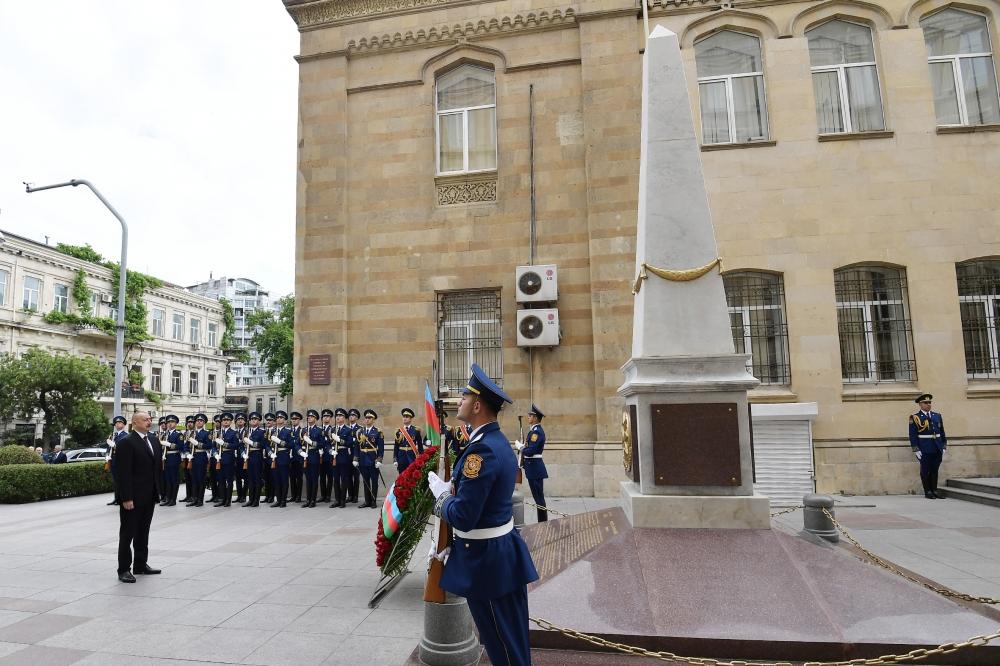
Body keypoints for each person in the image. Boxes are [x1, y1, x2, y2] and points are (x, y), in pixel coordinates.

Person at [428, 364, 539, 666]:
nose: (459, 401)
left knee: (502, 644)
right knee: (510, 639)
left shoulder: (482, 452)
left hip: (486, 562)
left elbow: (464, 515)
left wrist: (441, 499)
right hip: (498, 554)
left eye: (463, 396)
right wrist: (455, 488)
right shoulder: (492, 442)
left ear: (477, 405)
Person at [116, 411, 162, 583]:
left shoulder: (153, 440)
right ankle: (123, 569)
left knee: (143, 531)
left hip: (149, 495)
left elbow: (155, 468)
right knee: (128, 533)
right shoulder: (126, 442)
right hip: (133, 497)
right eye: (145, 420)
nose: (149, 422)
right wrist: (126, 497)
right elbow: (124, 473)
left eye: (150, 419)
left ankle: (140, 564)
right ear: (134, 423)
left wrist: (157, 491)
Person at [909, 393, 947, 499]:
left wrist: (944, 445)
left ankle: (934, 490)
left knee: (935, 469)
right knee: (925, 470)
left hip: (937, 447)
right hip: (925, 447)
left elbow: (942, 432)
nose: (928, 404)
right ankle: (928, 491)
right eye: (925, 403)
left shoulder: (937, 416)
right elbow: (912, 434)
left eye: (929, 402)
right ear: (920, 404)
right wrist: (916, 449)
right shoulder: (915, 417)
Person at [515, 404, 549, 523]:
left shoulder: (537, 432)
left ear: (535, 417)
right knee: (538, 498)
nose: (528, 417)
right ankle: (542, 522)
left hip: (535, 469)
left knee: (539, 499)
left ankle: (543, 523)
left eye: (530, 415)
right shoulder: (534, 431)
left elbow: (530, 451)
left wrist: (521, 447)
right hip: (533, 469)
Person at [356, 409, 384, 508]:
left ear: (373, 420)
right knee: (365, 481)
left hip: (373, 459)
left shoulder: (377, 432)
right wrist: (355, 458)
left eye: (369, 418)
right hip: (363, 459)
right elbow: (356, 446)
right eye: (366, 418)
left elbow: (381, 448)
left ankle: (373, 500)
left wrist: (379, 459)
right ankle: (367, 501)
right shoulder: (360, 431)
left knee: (374, 481)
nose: (367, 420)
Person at [270, 410, 293, 507]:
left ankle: (283, 500)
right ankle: (278, 499)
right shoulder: (272, 431)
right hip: (274, 457)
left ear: (284, 420)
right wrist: (270, 452)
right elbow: (266, 444)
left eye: (281, 418)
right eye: (278, 417)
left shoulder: (288, 431)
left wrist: (280, 442)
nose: (279, 419)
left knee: (284, 479)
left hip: (283, 457)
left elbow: (291, 444)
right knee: (276, 479)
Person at [331, 408, 353, 508]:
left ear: (344, 418)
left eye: (340, 416)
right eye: (337, 416)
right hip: (334, 457)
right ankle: (337, 499)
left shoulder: (348, 430)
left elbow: (350, 443)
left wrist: (339, 440)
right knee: (335, 479)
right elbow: (327, 443)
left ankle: (343, 500)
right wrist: (330, 450)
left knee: (344, 479)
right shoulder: (332, 429)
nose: (338, 418)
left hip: (344, 457)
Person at [302, 409, 323, 508]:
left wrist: (312, 443)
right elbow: (297, 444)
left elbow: (322, 443)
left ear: (315, 419)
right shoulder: (303, 430)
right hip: (305, 457)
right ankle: (308, 499)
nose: (309, 418)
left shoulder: (319, 430)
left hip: (314, 456)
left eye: (311, 417)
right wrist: (300, 452)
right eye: (308, 416)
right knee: (308, 479)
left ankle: (313, 500)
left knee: (314, 479)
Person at [394, 408, 423, 475]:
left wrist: (421, 458)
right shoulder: (398, 431)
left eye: (407, 417)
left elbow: (420, 445)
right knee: (401, 476)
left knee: (412, 476)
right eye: (403, 417)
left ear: (410, 419)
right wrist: (395, 458)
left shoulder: (416, 430)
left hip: (412, 456)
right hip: (401, 457)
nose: (404, 418)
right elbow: (396, 446)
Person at [161, 415, 183, 506]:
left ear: (176, 424)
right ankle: (168, 498)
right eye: (168, 422)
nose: (170, 424)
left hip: (174, 458)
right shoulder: (165, 434)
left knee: (174, 480)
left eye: (172, 422)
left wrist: (169, 444)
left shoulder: (178, 434)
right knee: (168, 480)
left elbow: (181, 447)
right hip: (166, 458)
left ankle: (173, 499)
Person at [107, 416, 128, 505]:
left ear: (123, 425)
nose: (117, 424)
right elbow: (108, 448)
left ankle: (121, 499)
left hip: (121, 462)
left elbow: (124, 448)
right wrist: (107, 455)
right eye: (116, 423)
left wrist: (114, 445)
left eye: (119, 423)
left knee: (121, 481)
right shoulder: (113, 435)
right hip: (113, 461)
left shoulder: (126, 435)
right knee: (115, 481)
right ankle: (116, 498)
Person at [319, 409, 336, 503]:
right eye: (324, 416)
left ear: (330, 418)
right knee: (322, 477)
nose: (326, 418)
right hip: (320, 457)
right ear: (322, 418)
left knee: (330, 477)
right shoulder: (319, 429)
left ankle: (328, 495)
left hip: (329, 456)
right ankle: (323, 495)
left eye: (328, 416)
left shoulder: (333, 429)